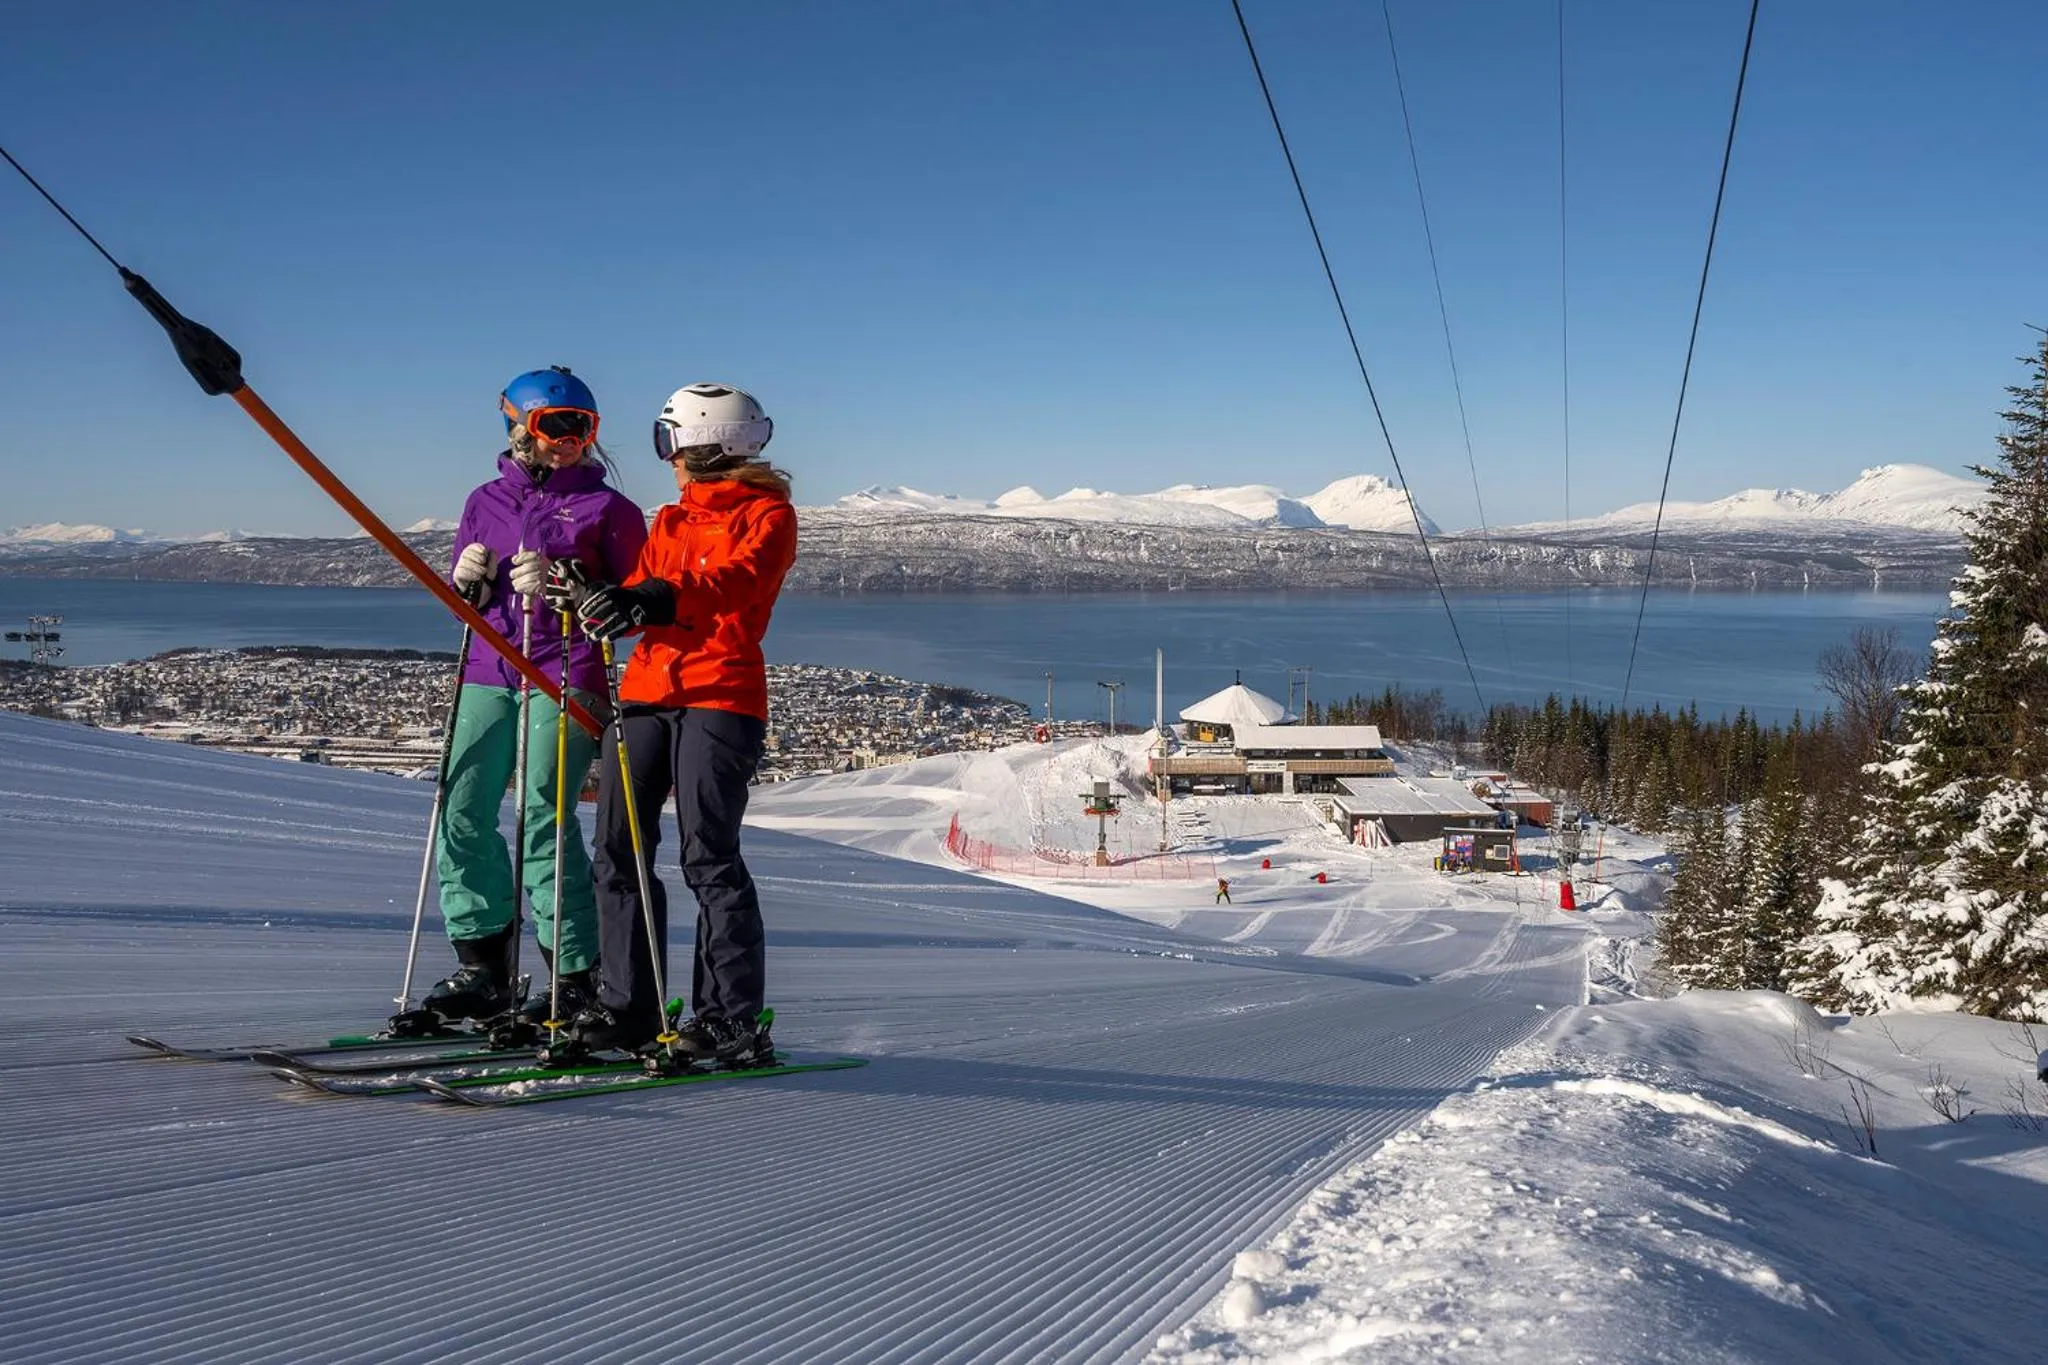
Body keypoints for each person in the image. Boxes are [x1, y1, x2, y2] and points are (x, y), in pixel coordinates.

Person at [542, 383, 797, 1062]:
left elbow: (737, 584)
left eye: (670, 442)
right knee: (617, 847)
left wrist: (653, 597)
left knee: (707, 855)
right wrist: (605, 599)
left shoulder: (769, 515)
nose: (667, 457)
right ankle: (630, 1003)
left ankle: (729, 1016)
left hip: (721, 693)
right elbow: (646, 594)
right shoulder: (670, 519)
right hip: (651, 690)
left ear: (710, 444)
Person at [421, 366, 648, 1028]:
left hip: (565, 668)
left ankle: (574, 975)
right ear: (518, 426)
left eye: (585, 426)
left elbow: (636, 609)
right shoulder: (483, 502)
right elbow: (467, 600)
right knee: (460, 808)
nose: (572, 439)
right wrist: (465, 581)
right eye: (556, 425)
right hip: (490, 669)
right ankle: (484, 966)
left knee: (543, 815)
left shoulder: (612, 511)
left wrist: (576, 588)